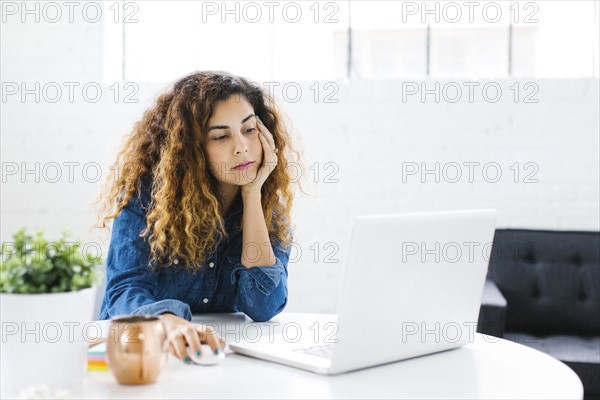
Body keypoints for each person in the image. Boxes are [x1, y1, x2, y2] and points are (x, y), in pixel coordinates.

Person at [94, 71, 305, 364]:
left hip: (222, 358)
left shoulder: (266, 204)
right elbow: (122, 293)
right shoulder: (147, 196)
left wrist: (252, 195)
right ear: (192, 149)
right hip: (144, 355)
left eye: (249, 129)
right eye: (221, 136)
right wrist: (167, 320)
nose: (241, 146)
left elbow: (264, 305)